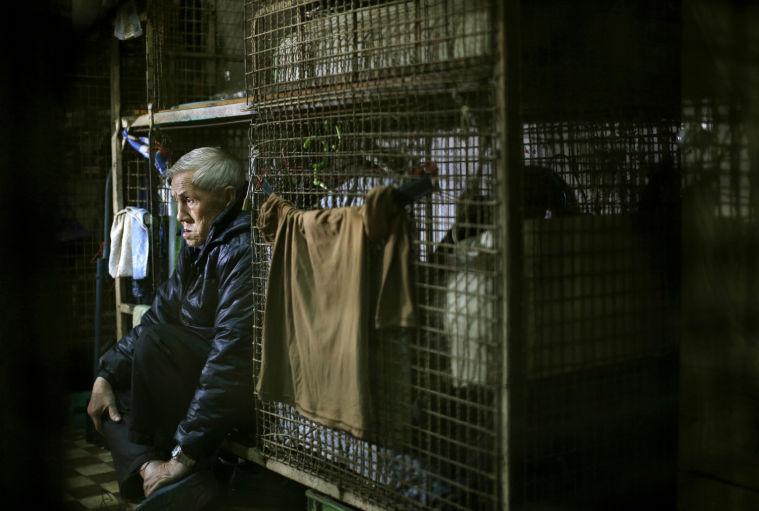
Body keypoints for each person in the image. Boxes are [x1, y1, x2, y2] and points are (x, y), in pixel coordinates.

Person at [87, 147, 254, 509]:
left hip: (231, 396)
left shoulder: (240, 249)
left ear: (226, 199)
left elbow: (230, 359)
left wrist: (184, 455)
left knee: (153, 342)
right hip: (195, 381)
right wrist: (104, 374)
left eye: (190, 201)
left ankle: (178, 472)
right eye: (176, 201)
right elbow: (157, 316)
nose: (180, 216)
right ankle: (154, 472)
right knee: (110, 401)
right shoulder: (198, 246)